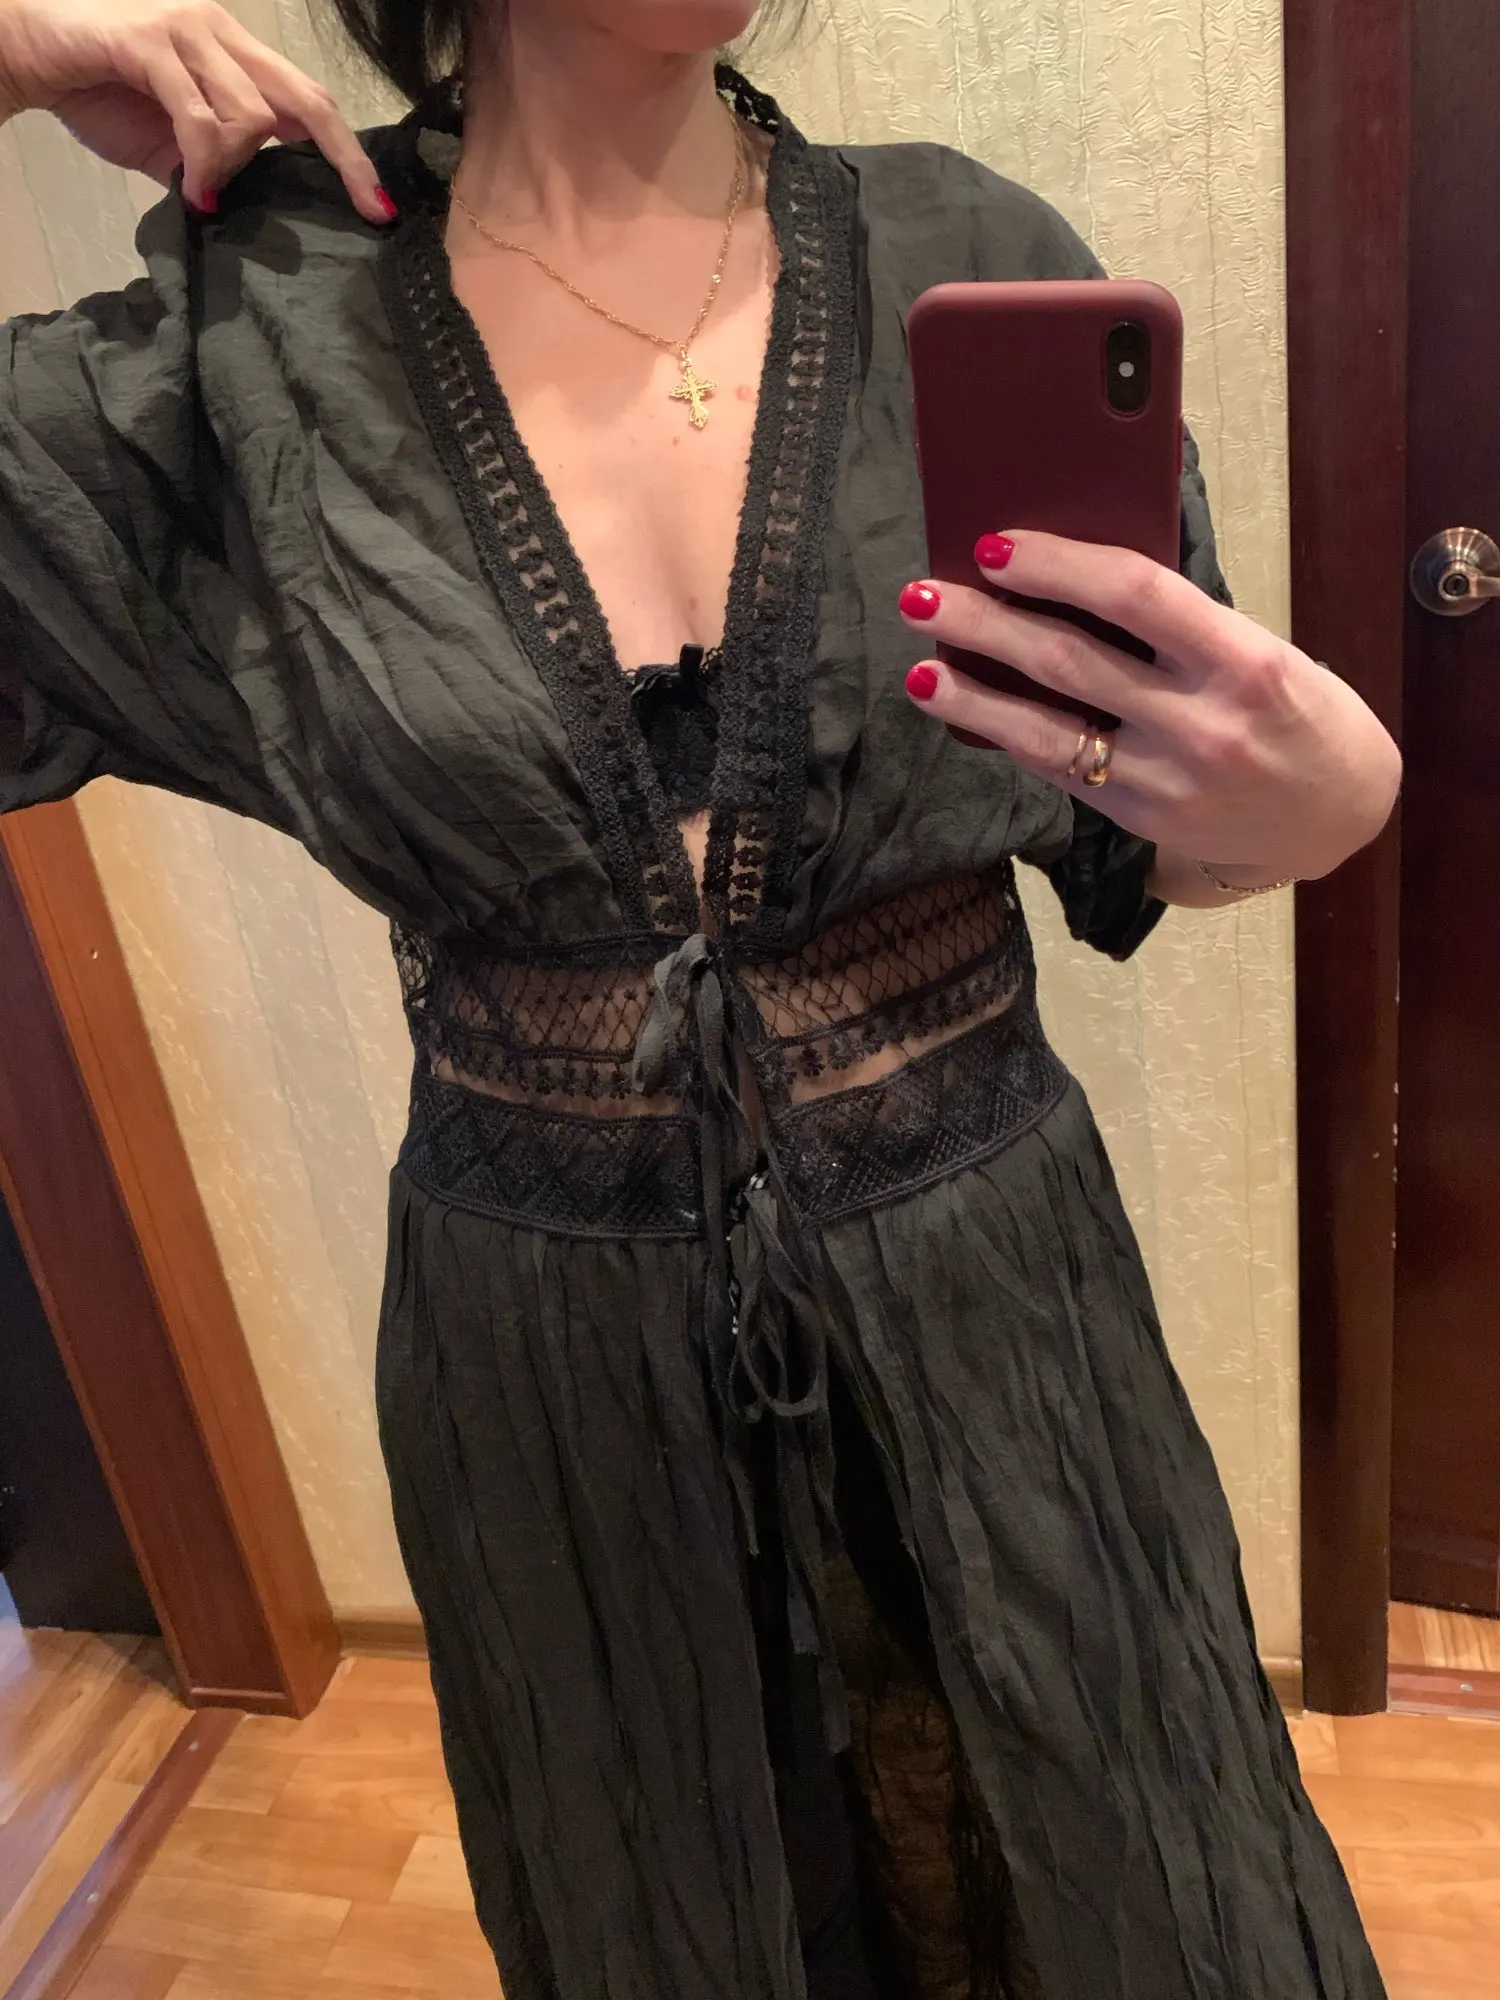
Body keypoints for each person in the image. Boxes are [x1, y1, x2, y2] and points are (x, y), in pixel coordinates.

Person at [0, 2, 1400, 1994]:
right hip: (548, 1368)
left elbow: (1135, 829)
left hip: (1004, 1309)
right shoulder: (245, 339)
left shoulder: (965, 258)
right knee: (662, 1907)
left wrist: (1317, 815)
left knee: (1134, 1888)